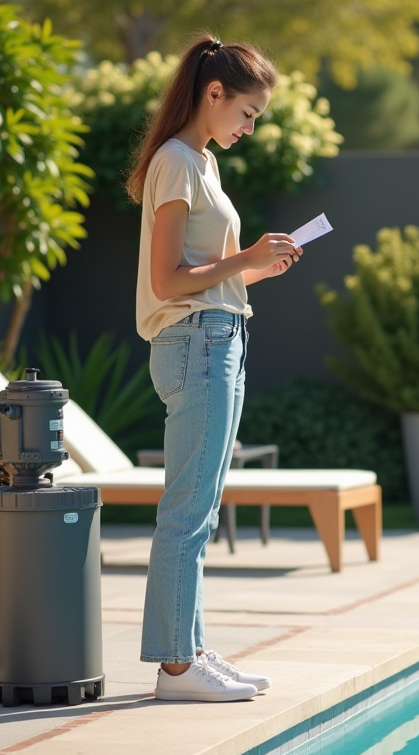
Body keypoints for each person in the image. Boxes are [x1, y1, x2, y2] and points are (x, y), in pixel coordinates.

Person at [126, 35, 301, 702]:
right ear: (214, 93)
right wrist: (244, 258)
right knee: (188, 512)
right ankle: (175, 666)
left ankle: (190, 648)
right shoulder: (176, 162)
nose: (249, 127)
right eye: (248, 113)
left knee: (202, 507)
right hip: (195, 342)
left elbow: (218, 273)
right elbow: (169, 281)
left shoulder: (202, 164)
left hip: (220, 337)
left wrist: (263, 263)